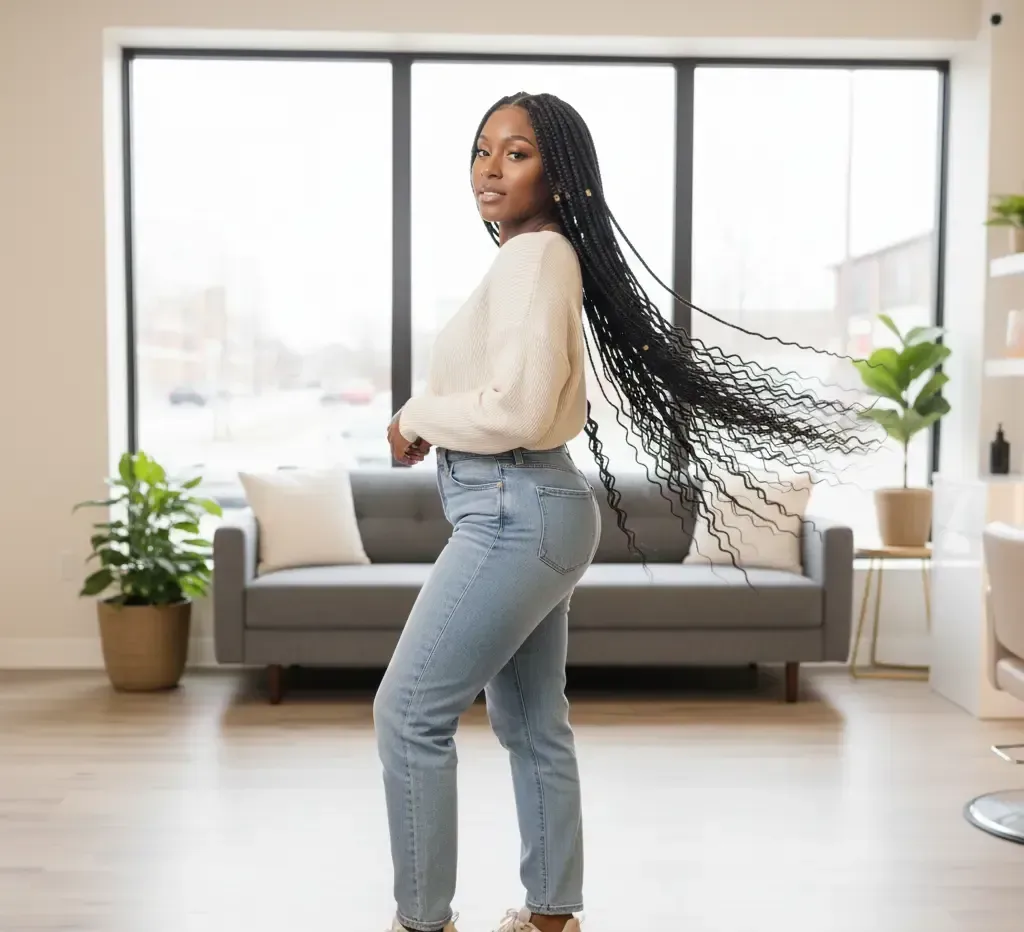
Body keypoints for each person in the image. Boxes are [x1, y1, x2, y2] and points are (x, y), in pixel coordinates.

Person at [375, 92, 876, 932]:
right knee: (533, 723)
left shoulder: (535, 258)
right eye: (480, 150)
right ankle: (551, 917)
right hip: (533, 505)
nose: (490, 169)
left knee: (408, 713)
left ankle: (422, 923)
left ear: (558, 172)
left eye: (517, 153)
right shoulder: (540, 256)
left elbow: (522, 411)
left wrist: (414, 415)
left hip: (513, 505)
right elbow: (517, 404)